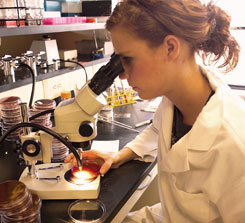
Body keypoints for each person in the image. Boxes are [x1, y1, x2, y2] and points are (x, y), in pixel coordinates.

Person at [65, 0, 245, 222]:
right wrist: (121, 155)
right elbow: (157, 130)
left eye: (127, 59)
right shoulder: (174, 101)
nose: (121, 74)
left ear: (170, 47)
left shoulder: (235, 146)